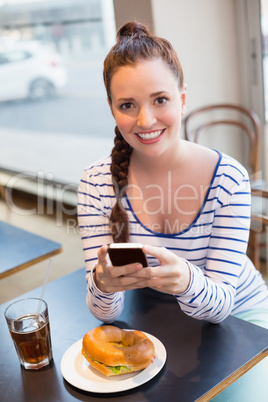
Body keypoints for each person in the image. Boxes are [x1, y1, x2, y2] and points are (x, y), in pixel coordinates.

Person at [77, 21, 268, 400]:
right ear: (112, 109)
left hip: (241, 322)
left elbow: (220, 308)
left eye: (160, 100)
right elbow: (104, 313)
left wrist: (186, 280)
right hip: (158, 322)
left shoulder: (227, 178)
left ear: (182, 98)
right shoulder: (95, 183)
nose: (145, 121)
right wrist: (103, 284)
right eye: (127, 105)